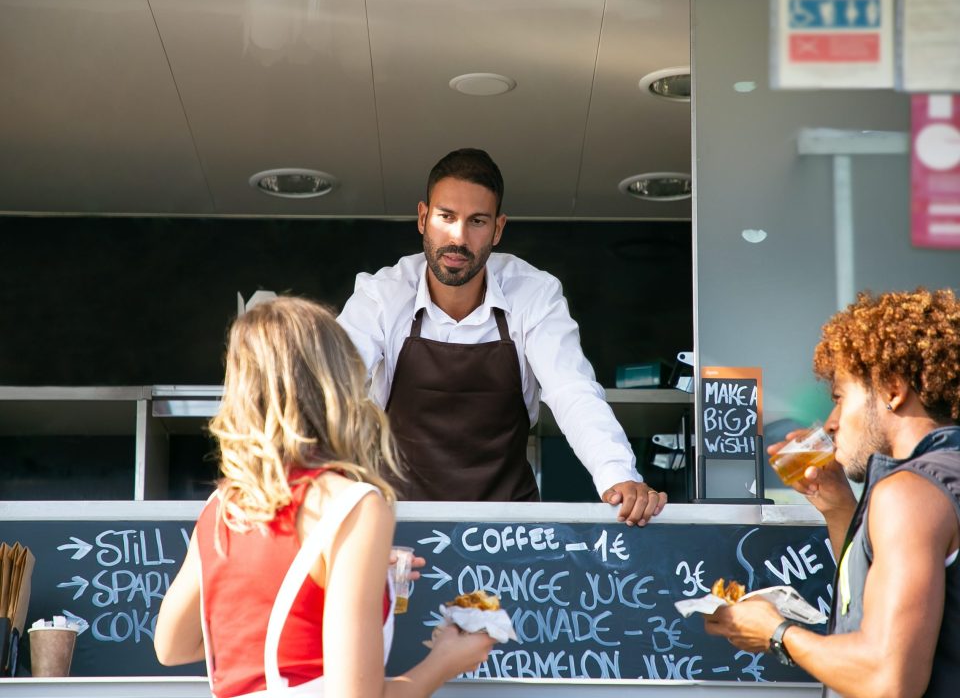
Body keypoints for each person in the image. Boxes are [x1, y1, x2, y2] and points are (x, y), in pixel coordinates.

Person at [154, 297, 495, 697]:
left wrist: (341, 568)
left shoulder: (223, 506)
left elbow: (171, 646)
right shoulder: (354, 507)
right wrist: (446, 661)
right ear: (337, 380)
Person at [337, 148, 666, 526]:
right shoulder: (382, 294)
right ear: (423, 218)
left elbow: (571, 390)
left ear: (498, 228)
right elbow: (335, 385)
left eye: (477, 221)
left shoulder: (534, 293)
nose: (458, 238)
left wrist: (618, 476)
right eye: (446, 217)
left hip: (511, 529)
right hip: (401, 521)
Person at [704, 288, 960, 697]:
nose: (832, 422)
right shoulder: (938, 480)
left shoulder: (908, 493)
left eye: (840, 398)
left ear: (893, 390)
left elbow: (886, 679)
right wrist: (839, 505)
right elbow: (876, 606)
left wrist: (775, 632)